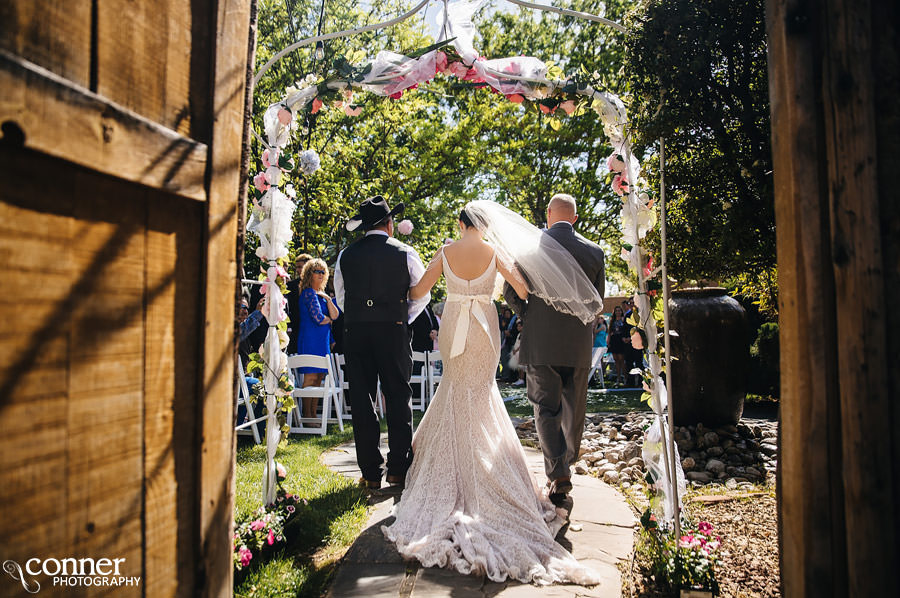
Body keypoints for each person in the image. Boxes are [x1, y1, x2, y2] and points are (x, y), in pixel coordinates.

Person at [381, 205, 600, 586]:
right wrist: (489, 290)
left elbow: (418, 290)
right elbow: (524, 289)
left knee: (454, 388)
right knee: (481, 392)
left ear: (460, 225)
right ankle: (491, 470)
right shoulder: (495, 253)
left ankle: (455, 468)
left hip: (454, 327)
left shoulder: (446, 251)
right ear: (483, 226)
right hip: (484, 329)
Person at [503, 193, 605, 500]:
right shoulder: (595, 252)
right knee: (574, 409)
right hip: (577, 345)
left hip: (541, 344)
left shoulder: (527, 250)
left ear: (548, 214)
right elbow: (597, 302)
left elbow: (510, 293)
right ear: (574, 218)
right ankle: (566, 463)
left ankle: (559, 473)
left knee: (545, 408)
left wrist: (529, 316)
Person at [334, 196, 429, 490]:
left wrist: (361, 316)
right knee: (398, 396)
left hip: (356, 331)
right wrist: (402, 317)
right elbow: (422, 295)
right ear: (389, 224)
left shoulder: (345, 255)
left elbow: (341, 297)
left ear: (365, 227)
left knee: (362, 399)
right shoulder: (406, 252)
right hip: (393, 330)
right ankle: (397, 469)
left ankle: (370, 472)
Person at [296, 258, 341, 419]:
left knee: (319, 378)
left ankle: (313, 415)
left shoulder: (321, 295)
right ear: (310, 274)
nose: (321, 275)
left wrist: (329, 299)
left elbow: (335, 316)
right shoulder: (308, 292)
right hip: (310, 340)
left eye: (323, 272)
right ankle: (306, 416)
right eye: (317, 271)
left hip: (322, 341)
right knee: (310, 378)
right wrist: (327, 319)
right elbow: (318, 318)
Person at [287, 253, 313, 354]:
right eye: (297, 267)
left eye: (300, 267)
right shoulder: (291, 286)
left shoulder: (320, 285)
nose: (298, 270)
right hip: (296, 331)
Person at [607, 305, 628, 385]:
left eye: (619, 310)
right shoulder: (612, 320)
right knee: (616, 360)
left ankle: (625, 378)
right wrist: (608, 341)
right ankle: (618, 378)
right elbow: (609, 332)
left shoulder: (623, 320)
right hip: (614, 340)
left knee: (622, 360)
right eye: (616, 311)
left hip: (621, 340)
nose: (618, 312)